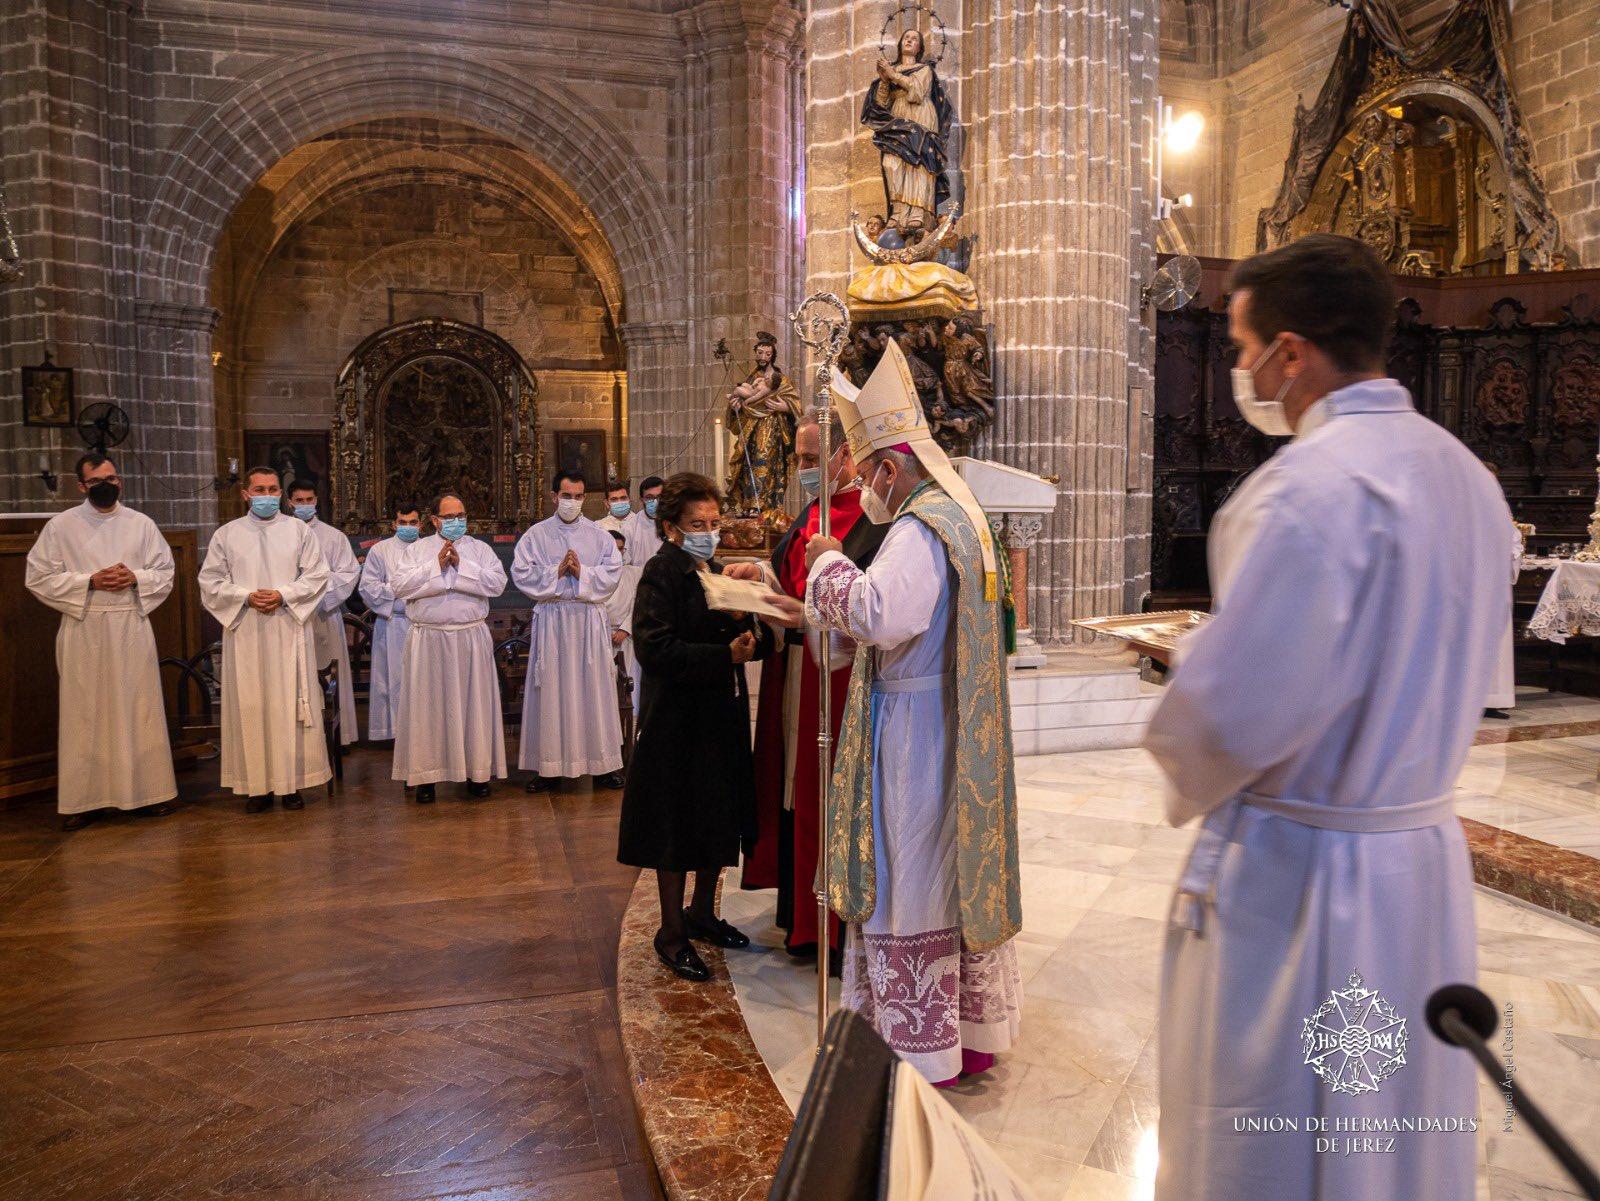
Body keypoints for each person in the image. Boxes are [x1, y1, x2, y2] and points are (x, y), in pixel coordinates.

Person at [1141, 234, 1512, 1201]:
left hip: (1308, 883)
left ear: (1292, 353)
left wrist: (1182, 667)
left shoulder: (1305, 490)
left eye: (1240, 344)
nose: (1239, 369)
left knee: (1280, 1134)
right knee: (1393, 1134)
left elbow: (1232, 718)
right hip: (1418, 862)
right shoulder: (1468, 478)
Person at [778, 339, 1023, 1086]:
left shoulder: (919, 526)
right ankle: (966, 1033)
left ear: (890, 465)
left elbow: (881, 612)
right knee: (943, 875)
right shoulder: (965, 514)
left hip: (914, 733)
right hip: (948, 720)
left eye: (868, 470)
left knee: (910, 875)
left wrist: (826, 560)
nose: (867, 487)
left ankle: (920, 1046)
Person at [735, 417, 887, 955]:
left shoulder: (874, 519)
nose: (800, 469)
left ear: (846, 453)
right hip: (797, 673)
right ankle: (801, 919)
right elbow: (793, 578)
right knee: (795, 791)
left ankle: (832, 926)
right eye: (798, 459)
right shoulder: (814, 510)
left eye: (808, 458)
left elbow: (871, 611)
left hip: (839, 677)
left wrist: (807, 615)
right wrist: (762, 577)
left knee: (829, 792)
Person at [618, 472, 774, 981]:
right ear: (671, 528)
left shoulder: (715, 569)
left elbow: (753, 637)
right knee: (674, 825)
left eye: (713, 522)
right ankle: (670, 931)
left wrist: (750, 621)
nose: (708, 531)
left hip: (719, 716)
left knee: (717, 815)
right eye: (697, 524)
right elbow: (653, 648)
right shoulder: (661, 574)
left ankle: (703, 912)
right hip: (676, 720)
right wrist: (721, 653)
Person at [25, 452, 178, 830]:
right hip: (85, 627)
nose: (106, 486)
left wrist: (136, 578)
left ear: (120, 481)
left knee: (138, 707)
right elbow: (38, 577)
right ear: (81, 486)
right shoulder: (61, 526)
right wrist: (88, 581)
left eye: (111, 479)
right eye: (96, 482)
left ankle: (148, 794)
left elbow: (165, 570)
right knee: (85, 713)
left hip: (130, 625)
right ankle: (85, 800)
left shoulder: (141, 525)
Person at [198, 465, 331, 812]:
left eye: (273, 490)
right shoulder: (226, 535)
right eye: (260, 490)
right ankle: (256, 787)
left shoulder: (299, 531)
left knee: (288, 705)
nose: (268, 497)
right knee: (252, 706)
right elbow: (210, 582)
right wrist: (244, 596)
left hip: (287, 628)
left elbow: (317, 576)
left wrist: (284, 593)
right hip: (246, 632)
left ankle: (291, 786)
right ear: (246, 494)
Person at [389, 492, 507, 803]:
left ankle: (477, 774)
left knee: (474, 707)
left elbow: (496, 584)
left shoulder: (480, 550)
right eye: (450, 517)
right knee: (428, 709)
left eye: (461, 516)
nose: (457, 522)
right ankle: (426, 777)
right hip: (429, 638)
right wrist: (435, 567)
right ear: (435, 520)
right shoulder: (417, 551)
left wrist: (462, 567)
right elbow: (400, 587)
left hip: (470, 638)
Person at [512, 470, 625, 792]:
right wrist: (556, 571)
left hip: (588, 620)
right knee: (551, 688)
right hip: (553, 620)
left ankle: (602, 767)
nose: (572, 503)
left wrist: (583, 572)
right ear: (553, 497)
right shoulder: (535, 535)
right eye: (566, 496)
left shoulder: (600, 535)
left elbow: (612, 574)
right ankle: (548, 769)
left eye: (578, 497)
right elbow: (521, 573)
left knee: (594, 690)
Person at [286, 482, 359, 745]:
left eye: (309, 499)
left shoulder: (333, 536)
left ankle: (338, 736)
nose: (304, 505)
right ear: (289, 502)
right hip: (289, 615)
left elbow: (349, 574)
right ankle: (300, 735)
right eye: (299, 500)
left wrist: (315, 593)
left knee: (328, 674)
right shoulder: (282, 533)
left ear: (316, 500)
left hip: (323, 614)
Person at [358, 501, 422, 741]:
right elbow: (368, 588)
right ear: (394, 524)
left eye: (412, 522)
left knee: (422, 680)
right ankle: (395, 731)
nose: (407, 527)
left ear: (421, 523)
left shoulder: (430, 549)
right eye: (402, 523)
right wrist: (399, 588)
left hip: (424, 623)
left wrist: (398, 588)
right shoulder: (380, 551)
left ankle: (423, 731)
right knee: (392, 679)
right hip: (393, 623)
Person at [604, 529, 640, 714]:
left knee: (629, 685)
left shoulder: (634, 573)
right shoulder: (593, 574)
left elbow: (639, 603)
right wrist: (603, 631)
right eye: (612, 549)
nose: (617, 554)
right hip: (601, 637)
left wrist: (625, 629)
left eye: (621, 549)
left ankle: (629, 726)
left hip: (626, 637)